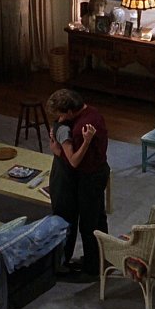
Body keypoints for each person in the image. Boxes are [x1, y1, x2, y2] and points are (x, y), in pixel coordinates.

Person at [46, 89, 110, 278]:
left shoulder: (81, 129)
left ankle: (92, 268)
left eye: (61, 114)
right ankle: (100, 258)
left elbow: (74, 162)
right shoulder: (93, 112)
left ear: (70, 111)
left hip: (90, 178)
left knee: (88, 224)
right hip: (99, 171)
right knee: (98, 217)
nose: (59, 119)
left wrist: (57, 151)